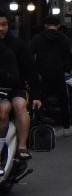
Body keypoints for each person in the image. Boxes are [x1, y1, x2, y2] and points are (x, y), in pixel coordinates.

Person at [0, 13, 41, 162]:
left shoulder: (18, 46)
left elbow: (31, 71)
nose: (1, 29)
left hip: (15, 89)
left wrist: (36, 96)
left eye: (4, 25)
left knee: (19, 106)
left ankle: (22, 146)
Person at [30, 14, 72, 134]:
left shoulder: (37, 38)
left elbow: (29, 57)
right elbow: (68, 58)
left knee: (41, 100)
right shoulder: (64, 40)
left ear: (45, 25)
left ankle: (37, 127)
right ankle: (66, 128)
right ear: (58, 26)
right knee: (63, 101)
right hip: (59, 74)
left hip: (42, 75)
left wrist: (36, 72)